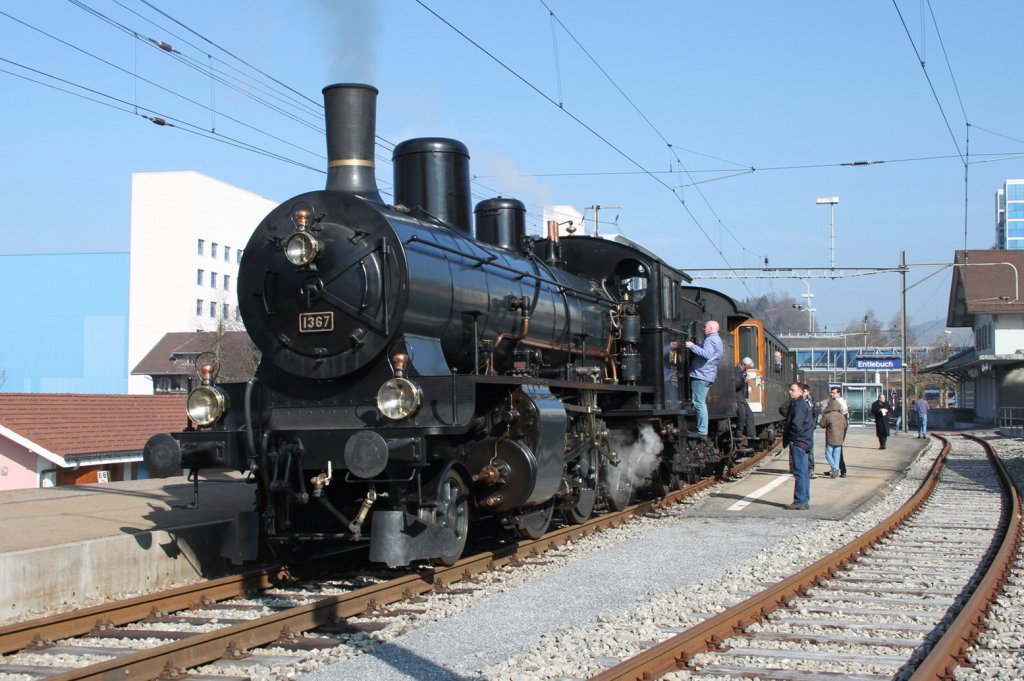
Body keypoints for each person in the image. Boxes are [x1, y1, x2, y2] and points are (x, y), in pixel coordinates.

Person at [685, 320, 724, 438]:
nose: (704, 328)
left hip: (701, 374)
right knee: (700, 403)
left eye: (706, 327)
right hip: (707, 375)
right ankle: (702, 430)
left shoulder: (710, 339)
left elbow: (707, 354)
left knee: (699, 403)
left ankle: (702, 431)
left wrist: (692, 346)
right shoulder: (717, 340)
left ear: (711, 328)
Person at [782, 382, 814, 509]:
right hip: (805, 441)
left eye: (792, 390)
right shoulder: (802, 404)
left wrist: (792, 438)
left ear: (800, 392)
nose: (790, 392)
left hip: (799, 442)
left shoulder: (798, 405)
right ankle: (804, 500)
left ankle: (800, 501)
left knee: (800, 472)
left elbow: (797, 425)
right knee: (804, 473)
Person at [820, 397, 847, 478]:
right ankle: (836, 469)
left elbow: (822, 424)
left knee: (828, 453)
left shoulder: (828, 416)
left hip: (831, 438)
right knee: (836, 454)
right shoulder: (841, 416)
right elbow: (845, 426)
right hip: (840, 439)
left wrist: (824, 414)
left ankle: (834, 468)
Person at [735, 356, 756, 442]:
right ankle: (738, 433)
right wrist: (744, 381)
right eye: (748, 367)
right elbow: (736, 385)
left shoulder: (743, 372)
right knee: (742, 415)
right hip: (737, 397)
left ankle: (751, 434)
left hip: (742, 398)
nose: (748, 368)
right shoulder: (737, 371)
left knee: (750, 415)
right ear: (744, 365)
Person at [829, 386, 849, 477]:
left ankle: (842, 469)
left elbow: (842, 414)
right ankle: (834, 468)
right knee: (835, 448)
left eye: (834, 393)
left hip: (839, 428)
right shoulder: (836, 401)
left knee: (837, 448)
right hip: (837, 427)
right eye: (831, 392)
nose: (832, 394)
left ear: (838, 393)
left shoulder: (840, 402)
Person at [802, 383, 816, 476]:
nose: (803, 393)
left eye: (805, 391)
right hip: (801, 429)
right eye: (802, 391)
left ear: (808, 392)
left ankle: (810, 468)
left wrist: (813, 424)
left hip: (809, 429)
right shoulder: (796, 401)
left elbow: (815, 413)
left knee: (810, 449)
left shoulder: (811, 402)